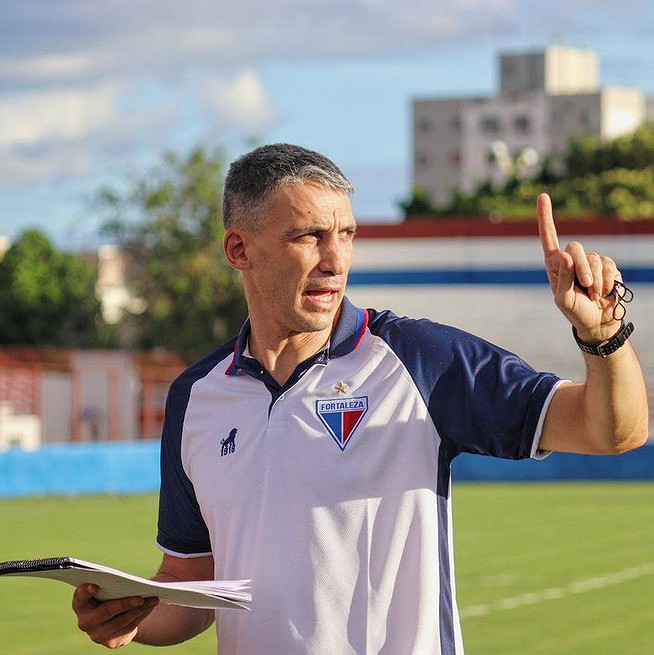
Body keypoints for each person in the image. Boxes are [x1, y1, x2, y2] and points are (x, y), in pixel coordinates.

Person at [72, 143, 649, 654]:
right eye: (308, 237)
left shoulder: (422, 361)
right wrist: (130, 617)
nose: (336, 260)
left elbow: (613, 431)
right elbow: (194, 585)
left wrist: (604, 338)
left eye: (345, 234)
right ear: (239, 250)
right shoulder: (196, 397)